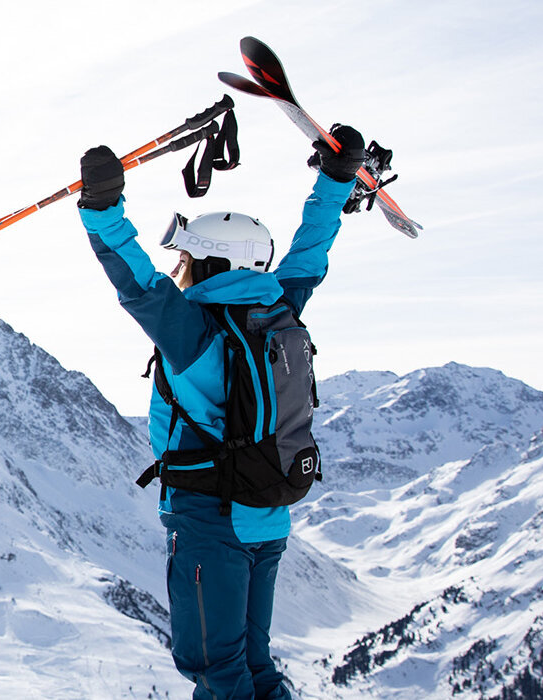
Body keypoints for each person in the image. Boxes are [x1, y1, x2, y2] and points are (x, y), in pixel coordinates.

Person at [74, 125, 367, 700]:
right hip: (270, 514)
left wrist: (103, 208)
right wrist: (334, 182)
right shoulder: (280, 309)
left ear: (210, 263)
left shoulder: (193, 330)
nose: (179, 268)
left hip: (211, 521)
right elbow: (311, 250)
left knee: (215, 668)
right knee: (252, 664)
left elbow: (137, 283)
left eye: (186, 258)